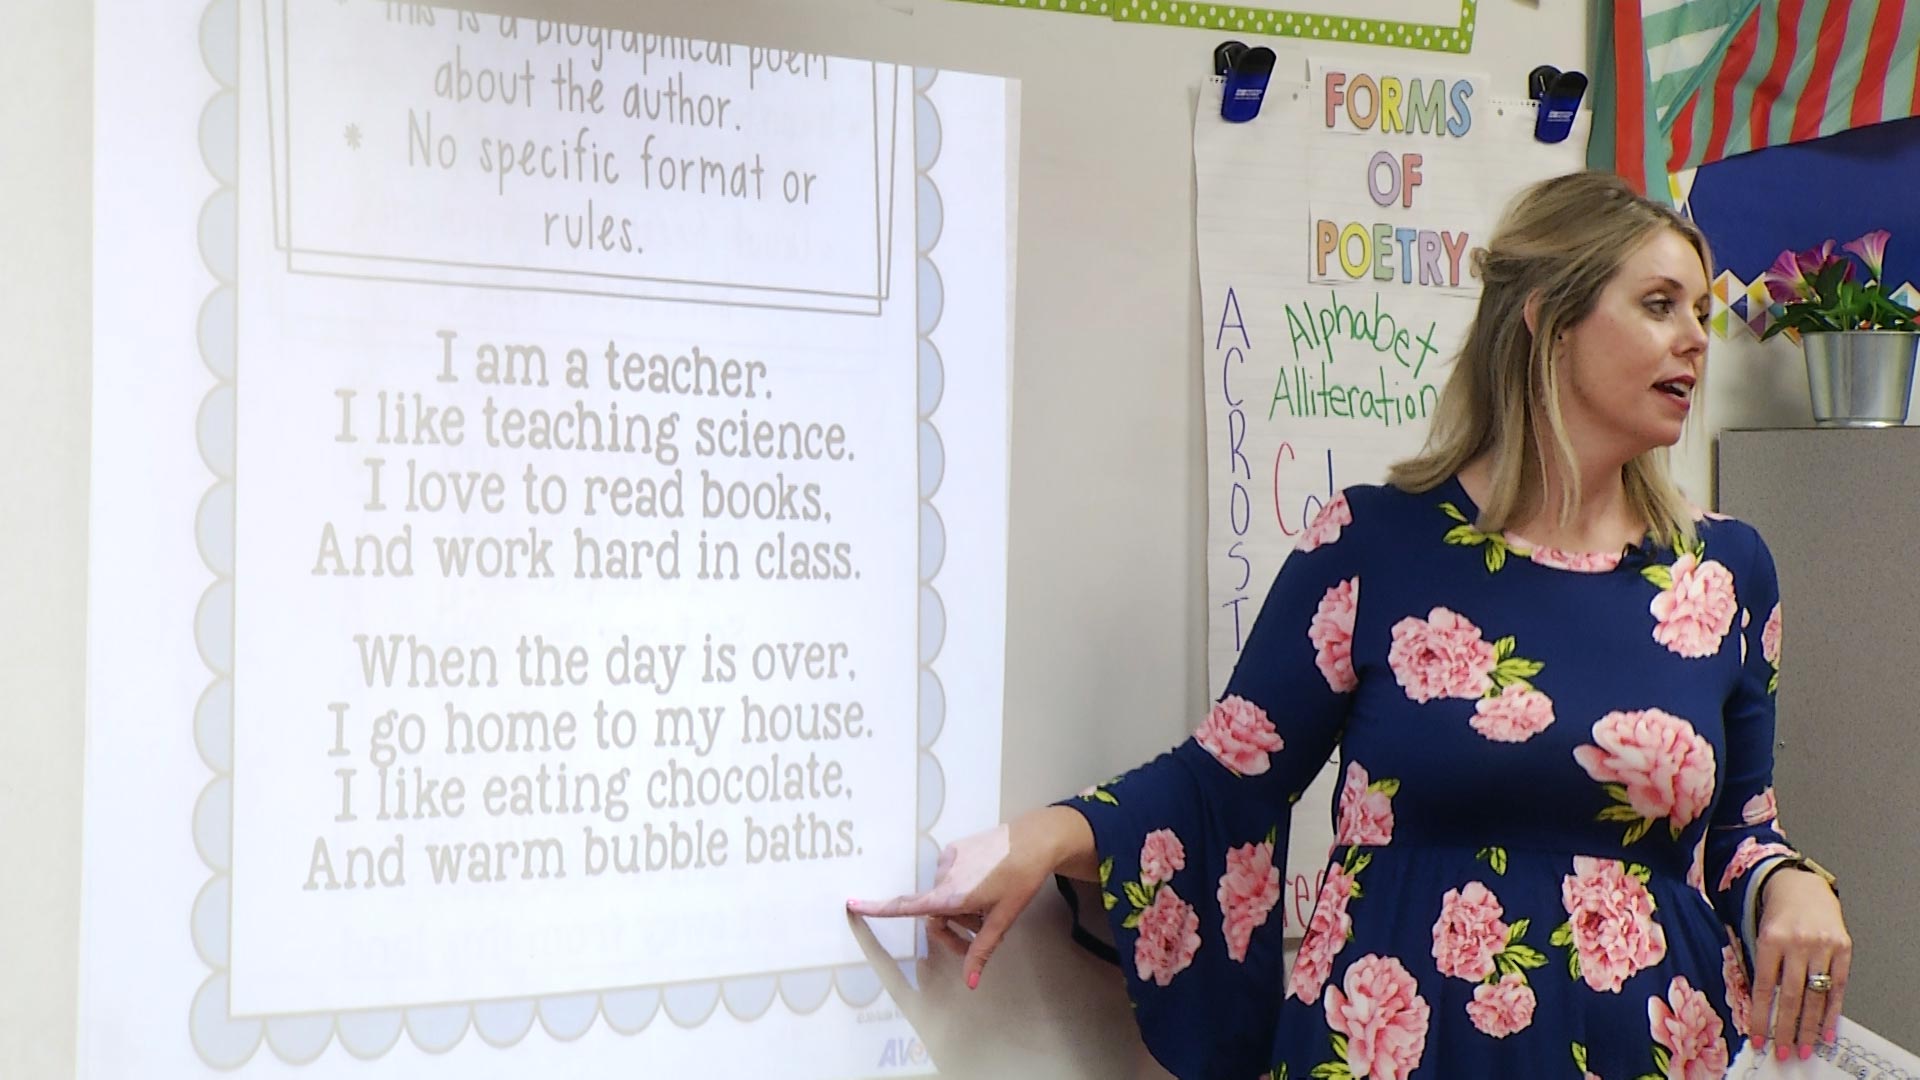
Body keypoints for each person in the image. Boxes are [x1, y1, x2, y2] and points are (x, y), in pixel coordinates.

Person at [848, 171, 1851, 1079]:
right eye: (1658, 305)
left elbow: (1737, 838)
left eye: (1701, 312)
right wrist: (1035, 840)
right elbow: (1224, 779)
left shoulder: (1728, 572)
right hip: (1395, 1048)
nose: (1695, 338)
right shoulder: (1376, 543)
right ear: (1548, 320)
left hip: (1650, 1049)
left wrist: (1796, 884)